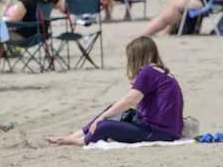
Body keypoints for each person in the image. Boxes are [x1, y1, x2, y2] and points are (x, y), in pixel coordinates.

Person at [48, 37, 183, 146]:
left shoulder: (147, 72)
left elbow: (131, 100)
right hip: (171, 130)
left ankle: (82, 140)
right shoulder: (162, 71)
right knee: (111, 110)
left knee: (103, 125)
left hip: (157, 132)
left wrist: (103, 117)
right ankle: (75, 135)